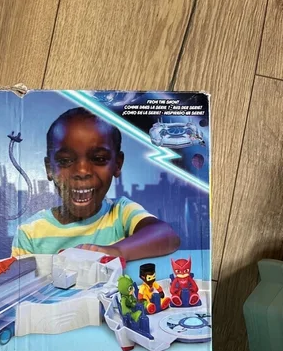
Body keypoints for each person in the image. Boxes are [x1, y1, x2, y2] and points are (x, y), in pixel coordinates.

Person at [11, 107, 179, 262]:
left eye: (99, 159)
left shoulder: (121, 212)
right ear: (49, 169)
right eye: (65, 161)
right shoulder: (28, 234)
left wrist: (111, 252)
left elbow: (166, 235)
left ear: (117, 164)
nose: (82, 171)